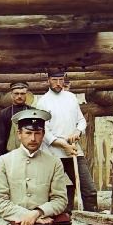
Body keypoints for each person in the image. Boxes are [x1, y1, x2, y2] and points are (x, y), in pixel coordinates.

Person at [0, 108, 70, 225]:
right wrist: (25, 216)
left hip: (45, 223)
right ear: (19, 134)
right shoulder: (3, 162)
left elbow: (60, 200)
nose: (33, 138)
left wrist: (37, 214)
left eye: (38, 133)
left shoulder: (54, 163)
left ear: (43, 134)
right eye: (28, 133)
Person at [36, 70, 98, 211]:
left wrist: (77, 131)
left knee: (89, 189)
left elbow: (81, 121)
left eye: (60, 80)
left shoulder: (71, 98)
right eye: (54, 80)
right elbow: (44, 131)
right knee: (55, 192)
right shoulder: (43, 102)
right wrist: (63, 145)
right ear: (48, 81)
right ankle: (56, 221)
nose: (58, 84)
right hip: (52, 154)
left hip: (74, 151)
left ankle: (93, 221)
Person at [0, 81, 32, 160]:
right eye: (16, 93)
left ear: (26, 95)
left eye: (22, 94)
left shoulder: (32, 113)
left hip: (29, 155)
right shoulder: (4, 114)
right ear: (11, 95)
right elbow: (0, 138)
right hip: (10, 156)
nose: (19, 96)